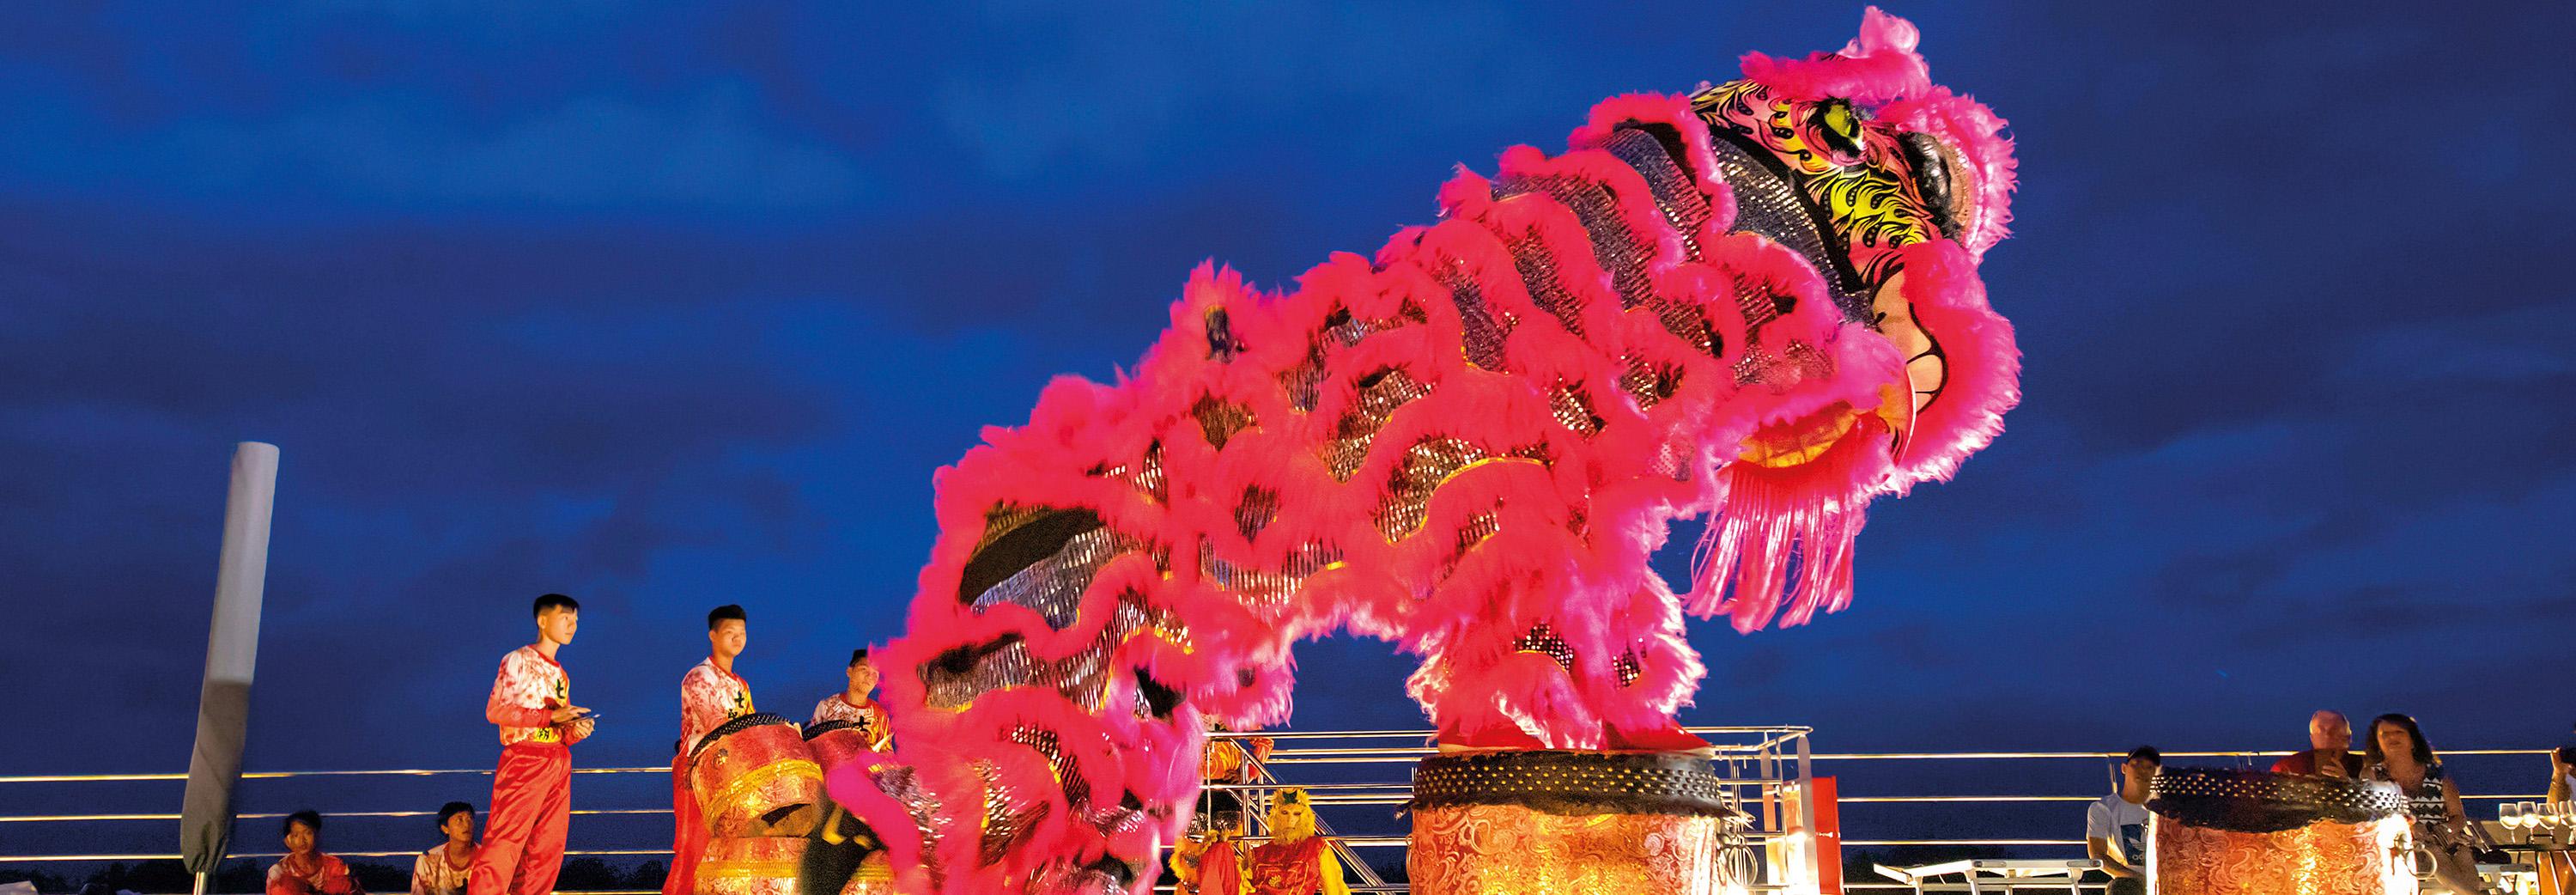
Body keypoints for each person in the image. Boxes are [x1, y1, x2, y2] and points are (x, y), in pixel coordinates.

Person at [470, 594, 591, 895]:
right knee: (505, 842)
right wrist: (549, 716)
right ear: (543, 620)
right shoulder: (518, 660)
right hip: (526, 757)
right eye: (566, 618)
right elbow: (495, 711)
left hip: (558, 759)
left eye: (576, 620)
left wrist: (575, 729)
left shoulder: (561, 673)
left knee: (547, 848)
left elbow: (558, 722)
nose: (573, 625)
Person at [665, 604, 756, 895]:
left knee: (727, 851)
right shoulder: (699, 677)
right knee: (693, 851)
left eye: (742, 633)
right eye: (730, 632)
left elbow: (751, 724)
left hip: (731, 776)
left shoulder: (741, 685)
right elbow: (718, 725)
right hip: (698, 775)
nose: (738, 639)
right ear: (713, 636)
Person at [2364, 713, 2494, 894]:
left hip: (2442, 837)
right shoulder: (2373, 776)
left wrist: (2447, 830)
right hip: (2403, 841)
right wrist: (2410, 830)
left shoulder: (2438, 776)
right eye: (2385, 734)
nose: (2392, 737)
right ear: (2377, 742)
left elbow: (2458, 816)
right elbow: (2375, 816)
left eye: (2398, 732)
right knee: (2434, 852)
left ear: (2412, 741)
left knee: (2462, 852)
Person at [2085, 746, 2158, 895]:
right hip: (2128, 882)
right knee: (2124, 888)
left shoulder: (2164, 809)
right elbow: (2097, 854)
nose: (2141, 770)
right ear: (2124, 768)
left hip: (2162, 877)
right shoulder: (2103, 808)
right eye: (2136, 764)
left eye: (2148, 767)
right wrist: (2138, 878)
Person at [811, 648, 892, 752]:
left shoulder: (880, 715)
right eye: (863, 669)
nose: (869, 676)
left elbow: (887, 753)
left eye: (875, 674)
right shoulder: (827, 706)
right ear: (849, 671)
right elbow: (811, 744)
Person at [268, 810, 363, 895]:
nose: (302, 840)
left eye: (308, 833)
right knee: (286, 885)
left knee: (340, 882)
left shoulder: (335, 866)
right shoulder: (279, 871)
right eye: (296, 835)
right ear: (288, 841)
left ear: (317, 835)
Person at [2271, 709, 2365, 777]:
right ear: (2312, 738)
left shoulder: (2365, 768)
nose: (2327, 736)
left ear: (2348, 738)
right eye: (2321, 731)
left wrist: (2349, 784)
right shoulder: (2288, 767)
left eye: (2335, 730)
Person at [411, 802, 477, 895]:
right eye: (459, 820)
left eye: (470, 819)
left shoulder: (488, 858)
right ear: (445, 828)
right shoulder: (428, 861)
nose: (467, 824)